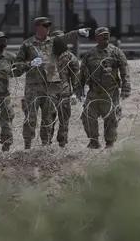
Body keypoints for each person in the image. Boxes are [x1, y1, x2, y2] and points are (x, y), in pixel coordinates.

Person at [14, 17, 90, 149]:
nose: (48, 28)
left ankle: (45, 145)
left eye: (49, 25)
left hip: (50, 86)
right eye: (45, 25)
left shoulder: (54, 42)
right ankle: (28, 145)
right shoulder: (27, 44)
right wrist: (29, 64)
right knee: (30, 118)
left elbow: (66, 38)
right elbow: (16, 67)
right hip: (33, 87)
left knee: (48, 118)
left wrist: (78, 32)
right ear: (38, 26)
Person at [76, 27, 131, 149]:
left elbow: (125, 70)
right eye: (102, 35)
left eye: (107, 34)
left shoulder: (116, 52)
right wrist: (79, 88)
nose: (105, 36)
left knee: (111, 118)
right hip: (94, 92)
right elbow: (82, 72)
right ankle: (93, 141)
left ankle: (109, 143)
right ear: (97, 37)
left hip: (110, 92)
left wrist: (126, 87)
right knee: (88, 117)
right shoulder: (90, 54)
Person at [50, 31, 80, 147]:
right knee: (48, 119)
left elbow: (76, 77)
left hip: (65, 92)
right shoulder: (46, 57)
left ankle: (62, 142)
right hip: (50, 92)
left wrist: (75, 94)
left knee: (64, 119)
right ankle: (46, 142)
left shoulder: (71, 58)